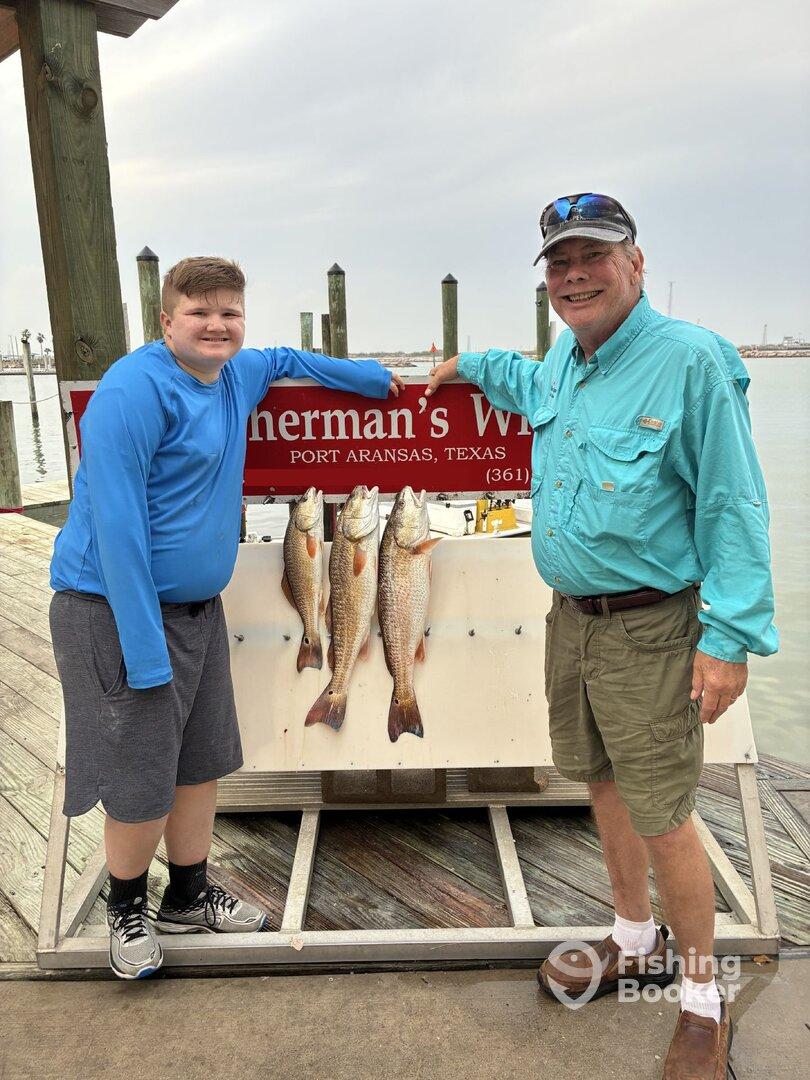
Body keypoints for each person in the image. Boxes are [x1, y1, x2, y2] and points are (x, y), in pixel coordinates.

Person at [426, 194, 776, 1079]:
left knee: (665, 815)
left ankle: (702, 1002)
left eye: (593, 257)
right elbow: (521, 382)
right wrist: (466, 364)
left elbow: (735, 506)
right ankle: (631, 933)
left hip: (657, 628)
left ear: (636, 263)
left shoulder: (691, 362)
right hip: (572, 621)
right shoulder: (562, 359)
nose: (574, 275)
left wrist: (729, 637)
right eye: (558, 263)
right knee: (603, 784)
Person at [49, 256, 404, 980]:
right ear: (166, 319)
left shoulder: (235, 373)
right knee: (140, 771)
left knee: (201, 760)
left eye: (230, 312)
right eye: (200, 311)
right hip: (116, 611)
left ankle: (187, 894)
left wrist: (364, 378)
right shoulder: (132, 392)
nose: (217, 324)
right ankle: (127, 908)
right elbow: (116, 528)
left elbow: (285, 357)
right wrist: (146, 655)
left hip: (197, 612)